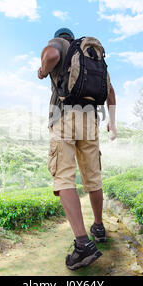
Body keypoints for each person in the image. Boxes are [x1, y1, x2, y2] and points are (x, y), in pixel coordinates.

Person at [38, 28, 117, 270]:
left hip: (64, 117)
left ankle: (83, 244)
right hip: (91, 119)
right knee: (93, 176)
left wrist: (42, 71)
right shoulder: (91, 56)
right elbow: (110, 92)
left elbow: (50, 54)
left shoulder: (59, 44)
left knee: (64, 176)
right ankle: (98, 227)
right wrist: (111, 122)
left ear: (63, 37)